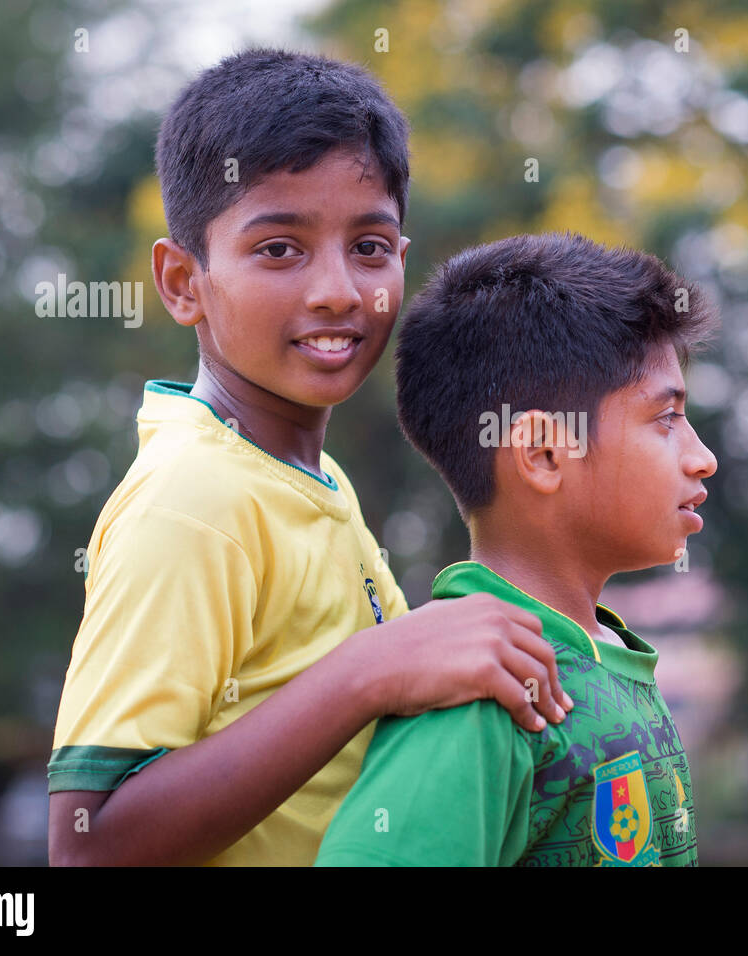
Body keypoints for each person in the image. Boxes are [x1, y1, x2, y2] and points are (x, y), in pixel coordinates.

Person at [46, 50, 572, 867]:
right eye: (280, 249)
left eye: (370, 247)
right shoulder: (194, 501)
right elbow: (87, 843)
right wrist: (366, 672)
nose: (337, 290)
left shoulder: (308, 481)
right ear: (183, 281)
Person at [315, 232, 718, 866]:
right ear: (544, 453)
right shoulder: (482, 686)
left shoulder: (596, 652)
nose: (703, 457)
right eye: (665, 419)